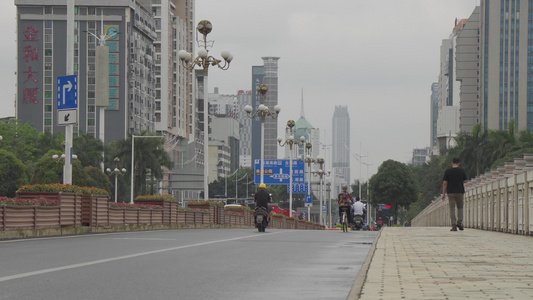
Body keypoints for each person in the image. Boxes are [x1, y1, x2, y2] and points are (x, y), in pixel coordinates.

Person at [441, 157, 468, 231]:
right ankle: (459, 222)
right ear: (459, 163)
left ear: (452, 163)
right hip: (460, 191)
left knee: (452, 208)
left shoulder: (448, 171)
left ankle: (454, 226)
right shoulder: (461, 171)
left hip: (451, 192)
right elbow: (465, 181)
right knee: (460, 207)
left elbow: (445, 183)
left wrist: (443, 193)